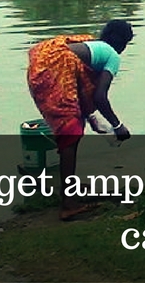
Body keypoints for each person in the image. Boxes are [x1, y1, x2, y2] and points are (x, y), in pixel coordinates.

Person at [26, 19, 134, 220]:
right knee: (71, 133)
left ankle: (69, 187)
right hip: (53, 68)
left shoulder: (90, 45)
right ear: (123, 44)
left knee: (73, 127)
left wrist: (95, 121)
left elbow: (84, 92)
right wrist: (117, 126)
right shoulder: (112, 55)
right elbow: (100, 97)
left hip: (39, 65)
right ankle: (68, 204)